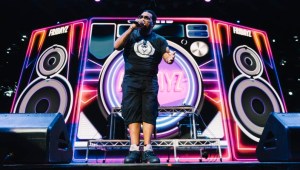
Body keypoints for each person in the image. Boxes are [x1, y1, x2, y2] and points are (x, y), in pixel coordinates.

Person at [114, 9, 175, 163]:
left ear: (153, 23)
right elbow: (116, 46)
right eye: (141, 17)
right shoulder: (131, 35)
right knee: (132, 112)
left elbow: (166, 55)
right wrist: (131, 28)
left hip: (149, 81)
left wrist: (169, 58)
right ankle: (134, 149)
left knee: (149, 112)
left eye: (147, 18)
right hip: (131, 80)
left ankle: (148, 149)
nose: (143, 19)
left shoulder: (159, 40)